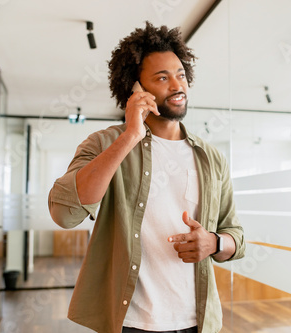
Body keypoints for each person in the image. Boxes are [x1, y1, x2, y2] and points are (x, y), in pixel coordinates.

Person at [48, 21, 245, 333]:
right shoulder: (104, 143)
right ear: (136, 89)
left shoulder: (211, 158)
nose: (177, 85)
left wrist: (214, 242)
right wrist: (130, 136)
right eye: (162, 78)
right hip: (130, 323)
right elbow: (64, 214)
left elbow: (235, 234)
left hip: (196, 321)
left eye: (180, 74)